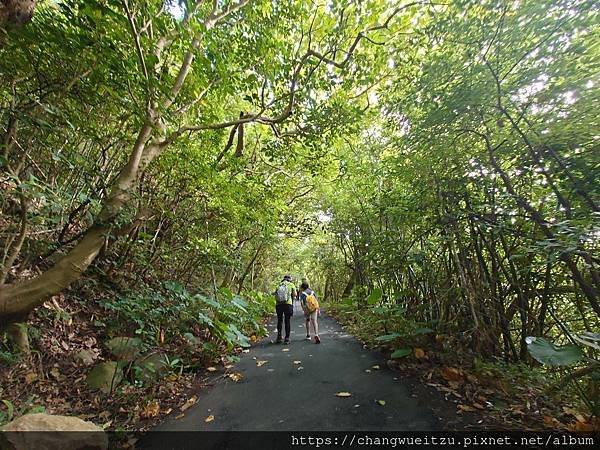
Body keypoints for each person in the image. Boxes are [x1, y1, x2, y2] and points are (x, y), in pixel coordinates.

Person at [274, 274, 296, 344]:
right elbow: (295, 294)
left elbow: (275, 294)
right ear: (289, 279)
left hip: (279, 305)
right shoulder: (291, 285)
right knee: (287, 321)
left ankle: (279, 337)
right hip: (288, 304)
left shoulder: (279, 285)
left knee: (279, 320)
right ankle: (287, 338)